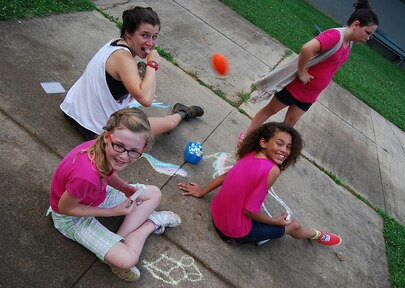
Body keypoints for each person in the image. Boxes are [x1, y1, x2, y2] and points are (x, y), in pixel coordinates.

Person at [49, 108, 181, 282]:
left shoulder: (102, 148)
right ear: (106, 136)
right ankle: (150, 225)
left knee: (154, 193)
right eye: (119, 146)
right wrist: (112, 211)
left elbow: (107, 172)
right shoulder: (86, 176)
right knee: (128, 260)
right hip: (70, 218)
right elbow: (63, 208)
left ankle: (119, 239)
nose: (124, 156)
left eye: (134, 151)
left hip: (95, 195)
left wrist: (125, 188)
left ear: (143, 148)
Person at [178, 122, 341, 246]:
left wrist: (202, 191)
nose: (284, 150)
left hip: (216, 215)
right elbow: (250, 211)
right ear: (264, 142)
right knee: (294, 225)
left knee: (259, 207)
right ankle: (316, 235)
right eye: (279, 143)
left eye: (289, 147)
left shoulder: (250, 153)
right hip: (232, 233)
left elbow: (227, 176)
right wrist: (275, 222)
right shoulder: (272, 170)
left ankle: (264, 234)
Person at [239, 0, 378, 145]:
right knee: (270, 110)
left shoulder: (349, 43)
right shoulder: (335, 36)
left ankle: (273, 150)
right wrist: (302, 72)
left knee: (288, 126)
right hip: (296, 87)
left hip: (310, 94)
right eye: (367, 32)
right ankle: (246, 138)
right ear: (356, 24)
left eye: (371, 35)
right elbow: (307, 48)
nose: (368, 38)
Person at [60, 6, 204, 141]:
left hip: (71, 110)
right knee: (169, 124)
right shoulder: (124, 59)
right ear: (128, 32)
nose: (150, 43)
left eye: (154, 37)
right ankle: (182, 112)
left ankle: (140, 74)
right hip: (95, 130)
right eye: (145, 35)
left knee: (135, 89)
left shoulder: (115, 43)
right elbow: (146, 100)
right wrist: (151, 65)